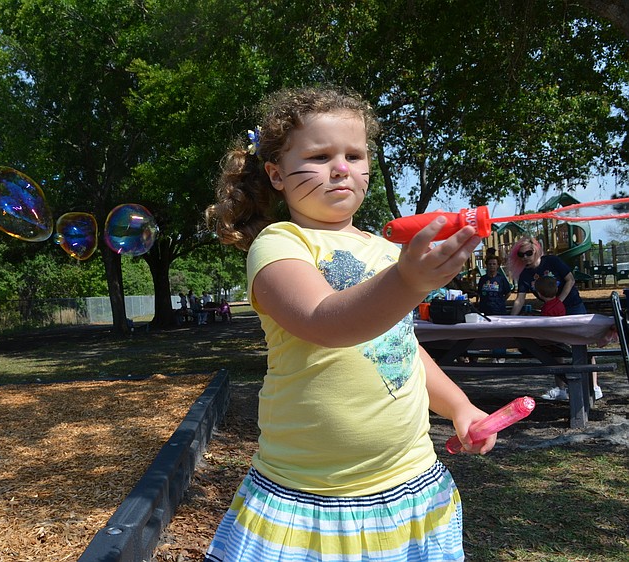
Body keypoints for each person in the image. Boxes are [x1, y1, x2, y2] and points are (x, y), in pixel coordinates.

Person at [204, 86, 492, 561]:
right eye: (319, 155)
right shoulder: (280, 245)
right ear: (275, 174)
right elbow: (325, 322)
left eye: (354, 154)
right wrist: (408, 280)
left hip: (410, 482)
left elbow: (402, 347)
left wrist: (460, 407)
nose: (341, 167)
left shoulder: (385, 252)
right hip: (310, 495)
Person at [507, 235, 602, 400]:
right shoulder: (525, 275)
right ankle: (561, 388)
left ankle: (593, 386)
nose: (525, 258)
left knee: (582, 345)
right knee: (554, 346)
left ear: (536, 249)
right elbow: (519, 299)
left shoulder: (552, 261)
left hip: (572, 306)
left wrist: (559, 302)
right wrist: (509, 320)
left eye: (528, 253)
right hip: (552, 312)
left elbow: (570, 280)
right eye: (521, 255)